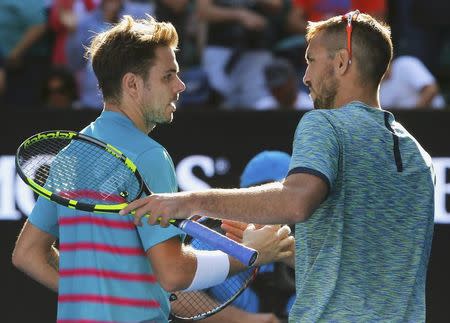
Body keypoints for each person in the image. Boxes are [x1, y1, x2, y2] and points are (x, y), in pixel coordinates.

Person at [121, 11, 436, 322]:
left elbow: (295, 202)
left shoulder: (325, 124)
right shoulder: (417, 157)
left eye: (311, 61)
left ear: (341, 62)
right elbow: (367, 268)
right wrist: (294, 252)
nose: (305, 77)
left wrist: (189, 200)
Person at [12, 15, 293, 323]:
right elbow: (174, 273)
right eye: (167, 76)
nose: (181, 86)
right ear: (132, 84)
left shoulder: (71, 154)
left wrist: (91, 296)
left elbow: (28, 254)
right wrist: (250, 255)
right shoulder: (149, 155)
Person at [202, 151, 296, 323]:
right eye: (262, 194)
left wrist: (291, 253)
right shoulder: (214, 239)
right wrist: (243, 319)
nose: (271, 206)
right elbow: (174, 294)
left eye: (280, 195)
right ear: (246, 198)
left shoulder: (320, 240)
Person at [380, 55, 446, 109]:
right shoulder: (375, 86)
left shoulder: (405, 64)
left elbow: (431, 89)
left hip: (434, 116)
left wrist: (413, 116)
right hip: (404, 122)